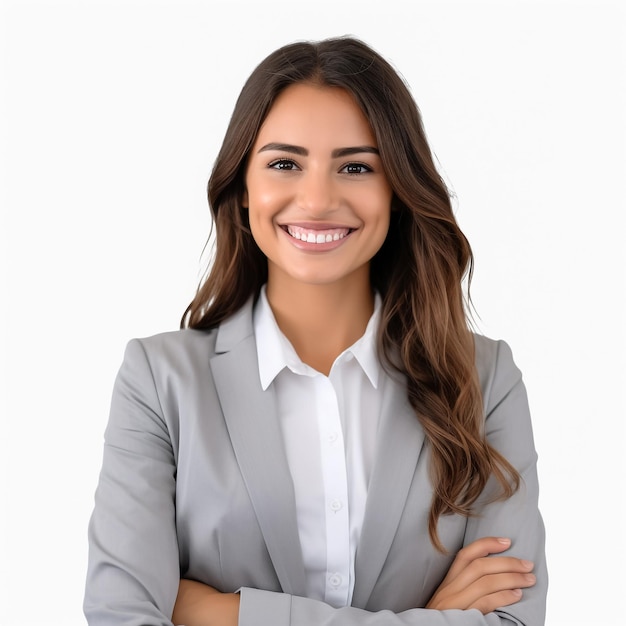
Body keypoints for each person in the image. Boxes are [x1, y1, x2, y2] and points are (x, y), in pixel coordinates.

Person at [84, 36, 547, 625]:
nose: (319, 198)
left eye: (355, 167)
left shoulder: (485, 379)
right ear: (243, 187)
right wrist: (432, 618)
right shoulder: (159, 381)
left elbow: (514, 619)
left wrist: (224, 613)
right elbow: (122, 615)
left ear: (397, 191)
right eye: (285, 164)